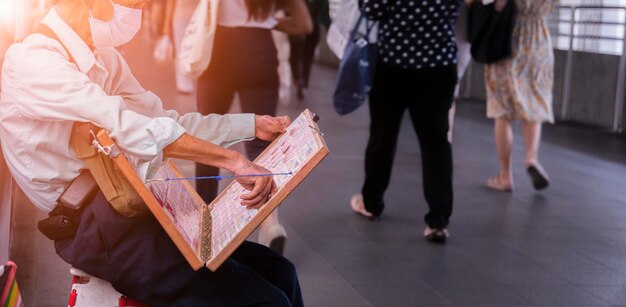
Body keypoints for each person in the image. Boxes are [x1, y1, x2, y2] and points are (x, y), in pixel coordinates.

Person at [0, 0, 304, 306]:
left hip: (131, 202)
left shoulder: (103, 56)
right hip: (93, 228)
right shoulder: (33, 61)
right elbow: (131, 128)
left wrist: (251, 124)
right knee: (267, 301)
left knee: (281, 272)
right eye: (130, 4)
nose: (135, 15)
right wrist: (233, 160)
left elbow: (165, 122)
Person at [195, 0, 312, 255]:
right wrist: (266, 20)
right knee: (262, 143)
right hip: (260, 51)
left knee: (208, 136)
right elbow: (303, 24)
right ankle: (270, 223)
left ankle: (204, 225)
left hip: (219, 51)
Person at [350, 0, 460, 243]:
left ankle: (372, 203)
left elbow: (371, 9)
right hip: (439, 66)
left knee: (383, 136)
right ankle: (438, 221)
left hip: (393, 67)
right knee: (436, 143)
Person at [484, 0, 554, 192]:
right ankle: (531, 157)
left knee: (503, 111)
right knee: (534, 103)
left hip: (506, 37)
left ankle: (505, 175)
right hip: (539, 41)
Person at [161, 0, 197, 94]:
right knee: (182, 52)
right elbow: (171, 3)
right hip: (183, 19)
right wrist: (166, 25)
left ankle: (186, 83)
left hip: (193, 20)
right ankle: (184, 84)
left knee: (189, 52)